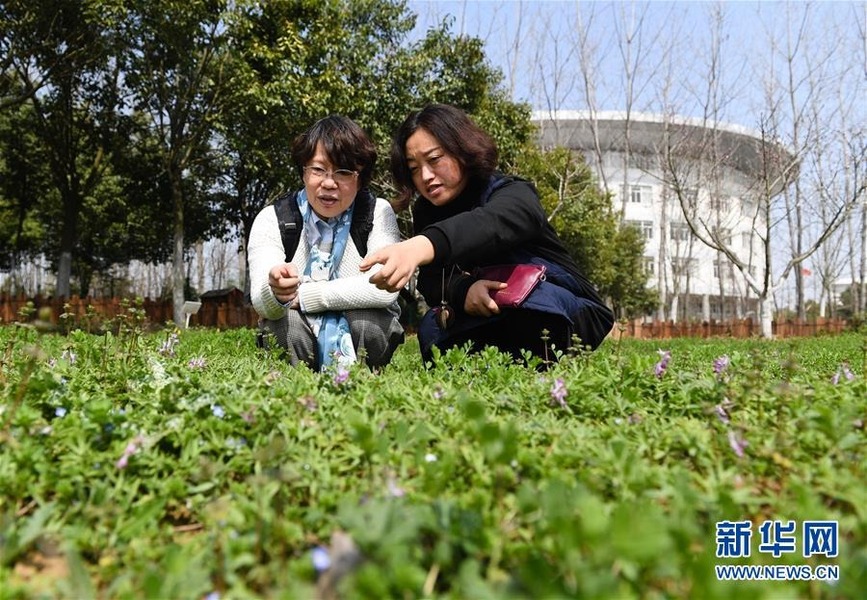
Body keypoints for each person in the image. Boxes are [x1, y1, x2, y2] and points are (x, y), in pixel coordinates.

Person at [359, 103, 614, 365]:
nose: (425, 175)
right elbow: (432, 280)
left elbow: (490, 223)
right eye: (414, 168)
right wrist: (464, 291)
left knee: (535, 304)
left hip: (567, 305)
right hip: (488, 310)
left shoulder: (512, 192)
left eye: (434, 159)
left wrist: (422, 246)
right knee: (432, 326)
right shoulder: (427, 211)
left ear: (461, 149)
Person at [248, 115, 404, 371]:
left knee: (368, 323)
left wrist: (308, 295)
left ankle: (364, 380)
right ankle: (295, 385)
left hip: (361, 325)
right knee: (284, 324)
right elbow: (261, 300)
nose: (329, 183)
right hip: (297, 331)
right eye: (318, 170)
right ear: (303, 171)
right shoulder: (272, 219)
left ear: (360, 177)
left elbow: (384, 286)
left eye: (343, 172)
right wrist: (275, 291)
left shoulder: (377, 212)